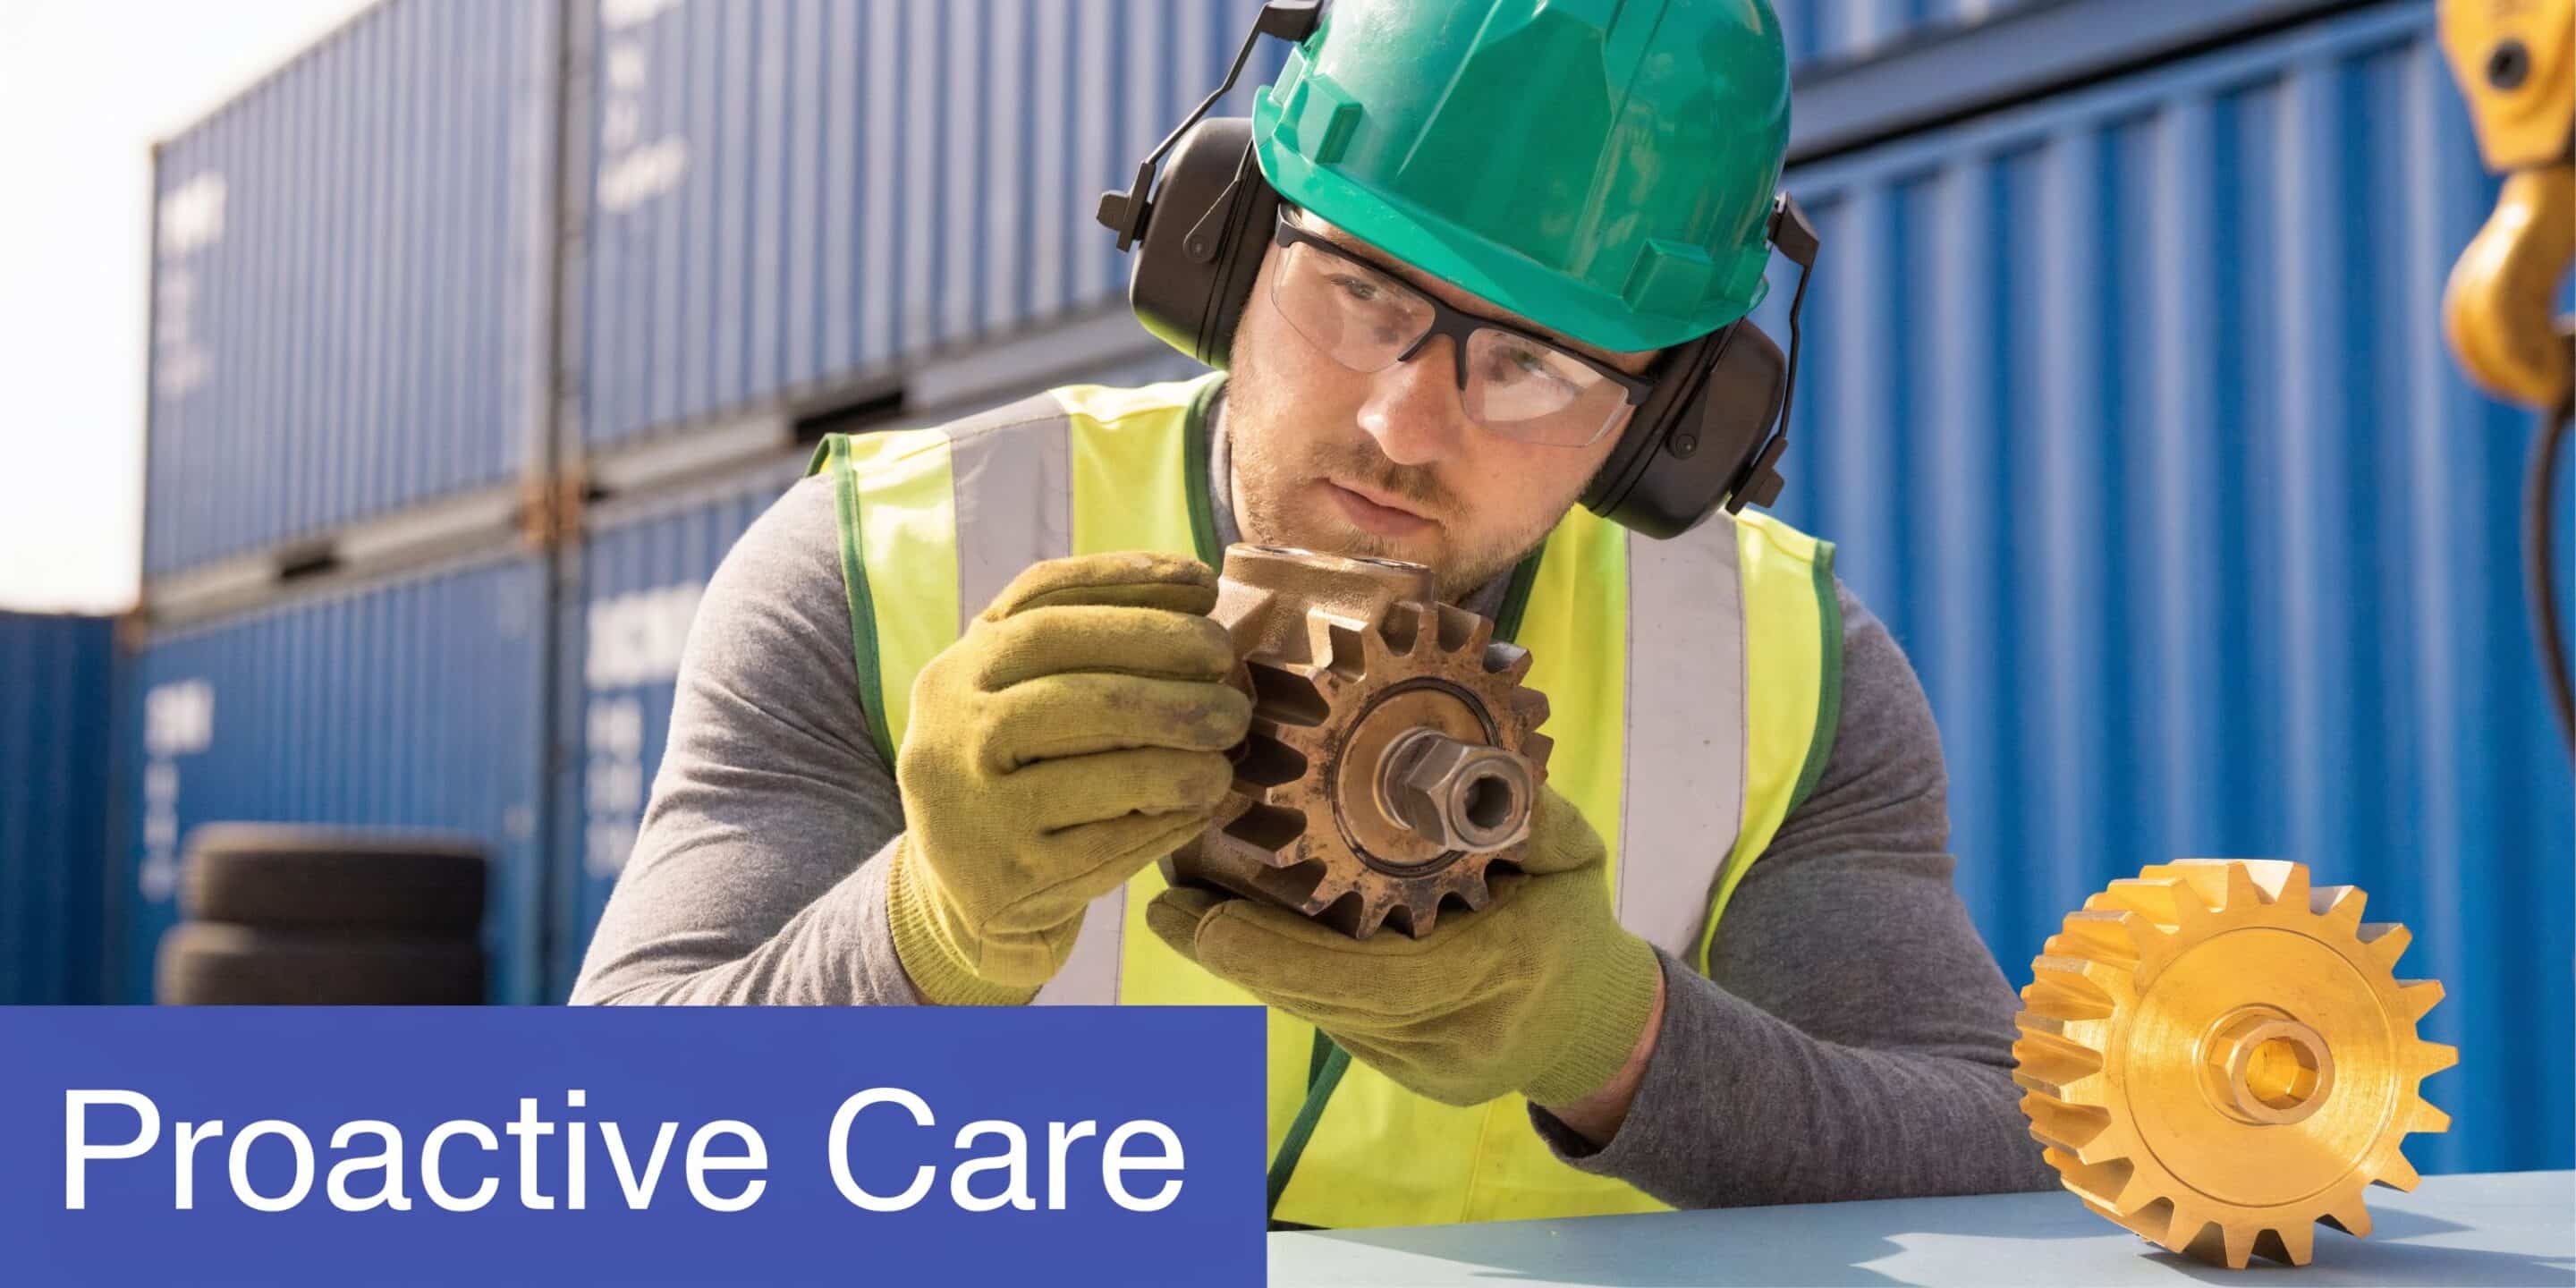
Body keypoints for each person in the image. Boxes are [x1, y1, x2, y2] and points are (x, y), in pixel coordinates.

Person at [573, 0, 2060, 1226]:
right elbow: (593, 1160)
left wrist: (1621, 1044)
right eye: (1356, 289)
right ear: (1221, 241)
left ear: (1673, 427)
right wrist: (925, 934)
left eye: (1537, 364)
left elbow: (2007, 1149)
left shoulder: (1782, 671)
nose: (1406, 424)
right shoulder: (881, 564)